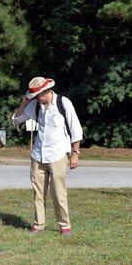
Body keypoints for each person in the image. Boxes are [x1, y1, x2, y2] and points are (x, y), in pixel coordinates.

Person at [12, 77, 83, 236]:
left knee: (58, 192)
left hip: (58, 154)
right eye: (35, 96)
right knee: (38, 192)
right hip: (38, 155)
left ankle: (64, 226)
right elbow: (16, 119)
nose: (37, 99)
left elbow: (76, 129)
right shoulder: (35, 105)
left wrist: (75, 154)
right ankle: (39, 224)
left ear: (47, 91)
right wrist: (25, 102)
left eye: (39, 95)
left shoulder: (63, 103)